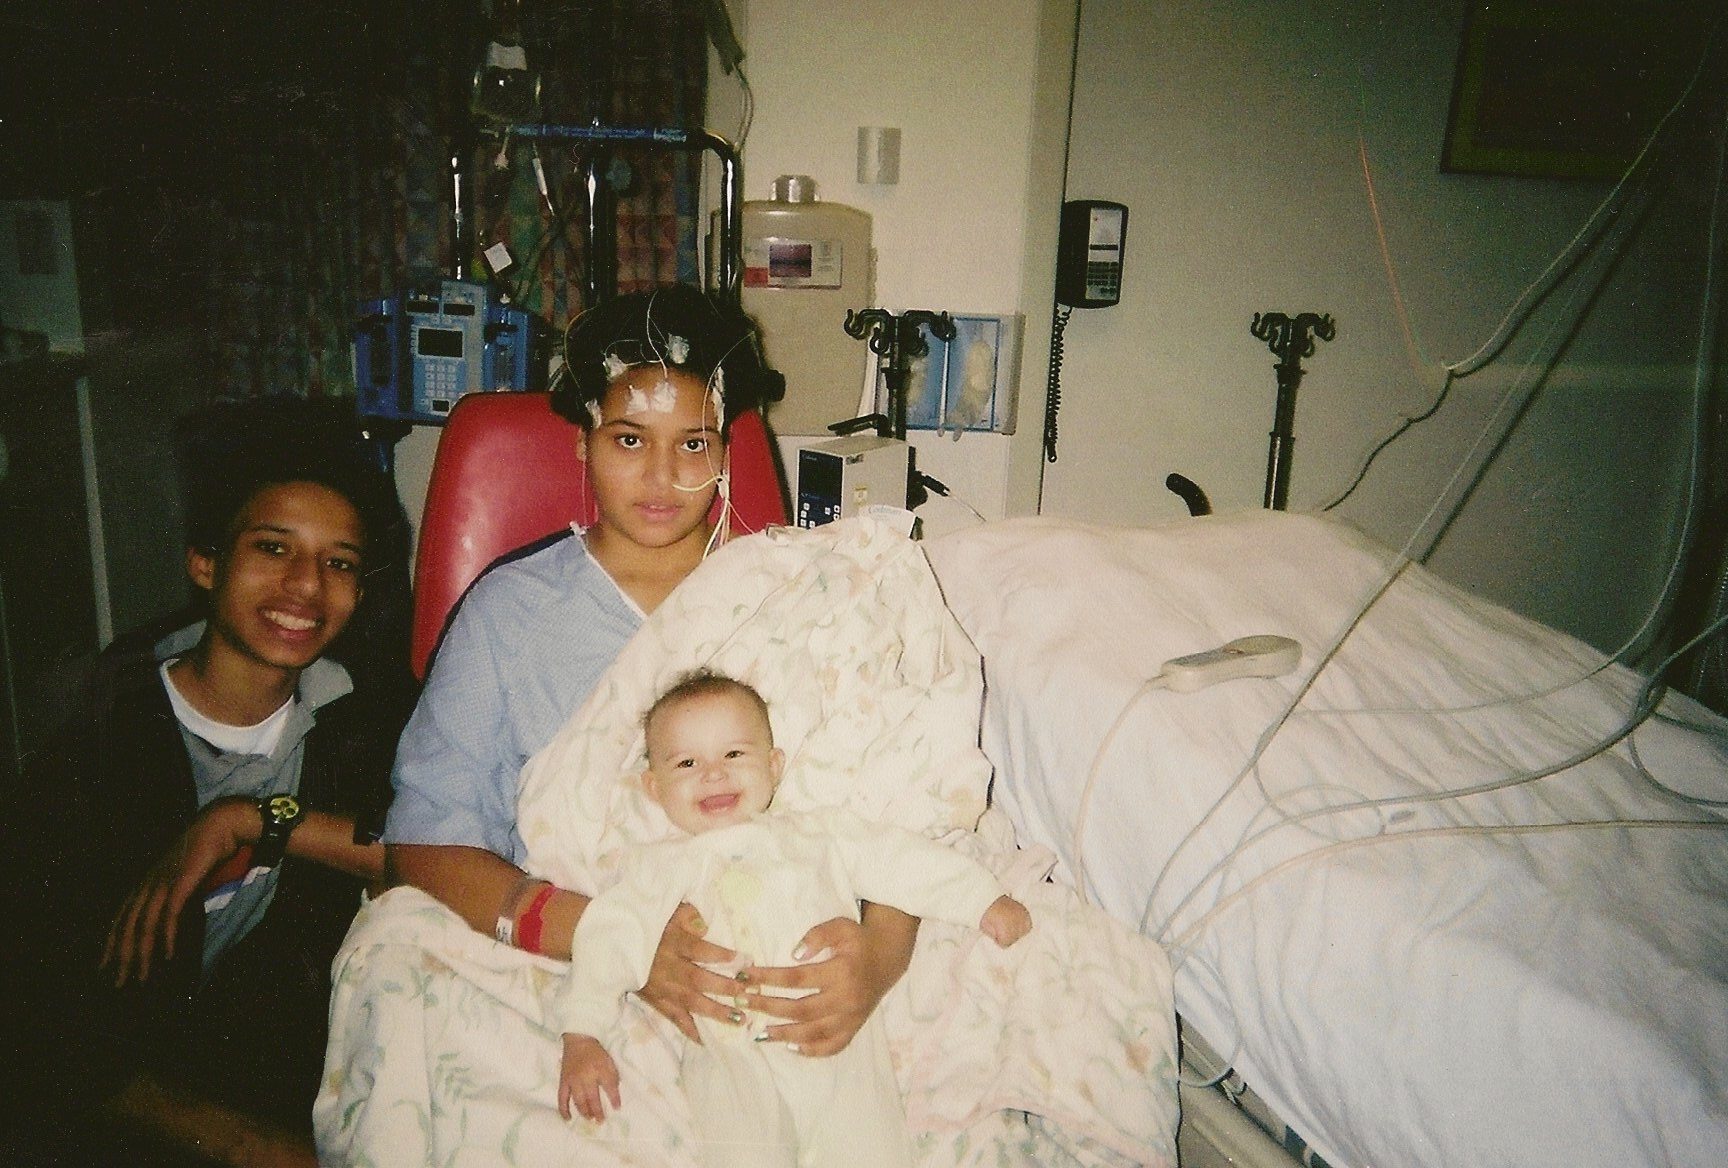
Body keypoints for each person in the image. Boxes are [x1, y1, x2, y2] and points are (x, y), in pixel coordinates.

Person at [383, 284, 918, 1056]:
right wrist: (613, 941)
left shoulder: (796, 596)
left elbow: (900, 784)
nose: (662, 477)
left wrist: (881, 956)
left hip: (805, 944)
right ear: (584, 442)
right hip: (586, 946)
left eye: (693, 444)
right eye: (630, 440)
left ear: (726, 451)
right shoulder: (512, 615)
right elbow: (423, 843)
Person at [5, 398, 411, 1167]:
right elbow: (35, 1018)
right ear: (205, 563)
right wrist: (239, 1143)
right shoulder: (94, 756)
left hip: (284, 1082)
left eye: (340, 562)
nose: (305, 587)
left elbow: (432, 861)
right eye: (272, 548)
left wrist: (257, 818)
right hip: (115, 1109)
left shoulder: (362, 725)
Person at [554, 672, 1033, 1167]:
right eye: (688, 762)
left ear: (774, 765)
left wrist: (981, 899)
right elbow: (607, 938)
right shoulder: (658, 868)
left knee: (868, 1149)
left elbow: (901, 861)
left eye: (734, 755)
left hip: (833, 1042)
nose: (713, 774)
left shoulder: (818, 835)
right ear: (654, 788)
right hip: (729, 1054)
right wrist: (582, 1032)